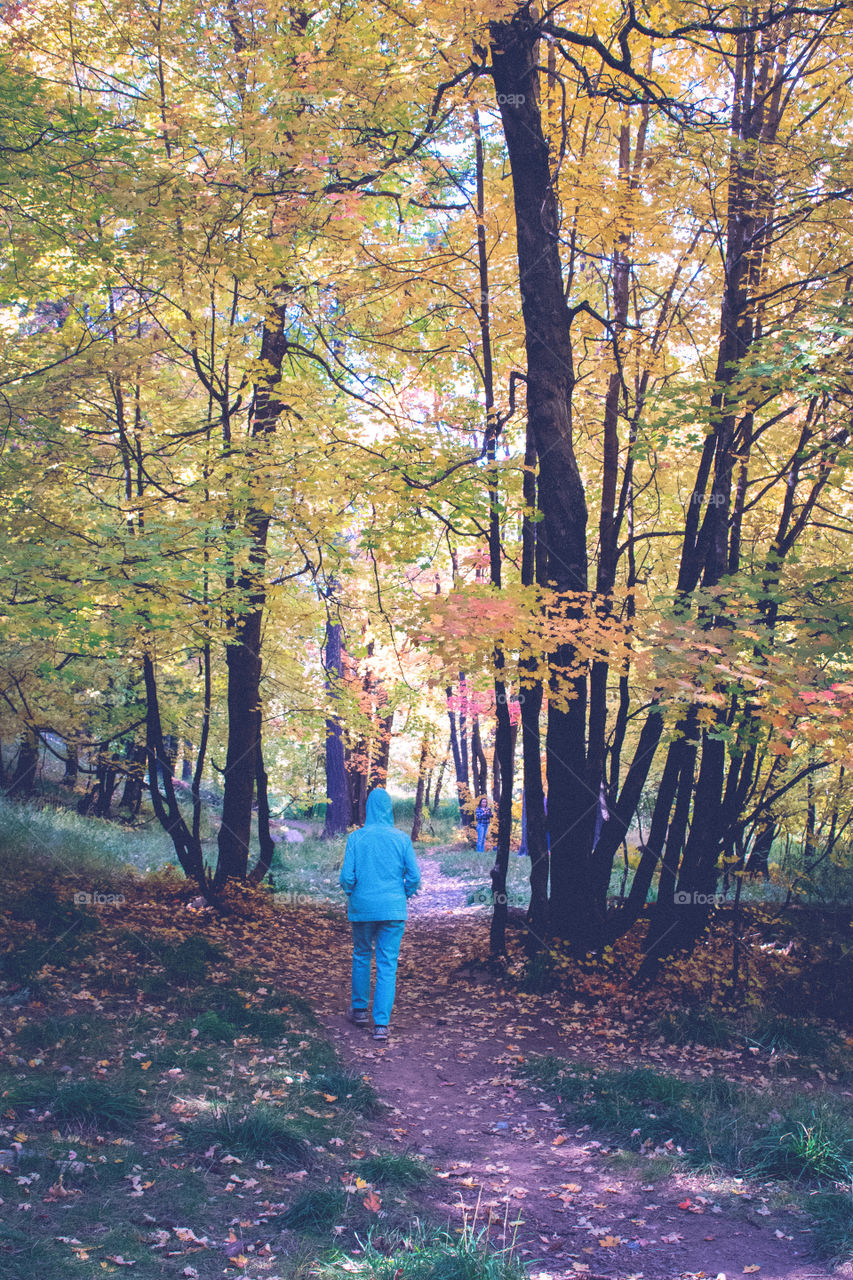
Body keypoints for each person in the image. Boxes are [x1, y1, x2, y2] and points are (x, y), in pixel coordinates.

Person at [339, 787, 421, 1041]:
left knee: (362, 955)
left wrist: (353, 892)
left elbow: (346, 877)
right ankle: (381, 1025)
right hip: (394, 910)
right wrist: (403, 894)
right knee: (388, 964)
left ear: (368, 809)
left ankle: (360, 1010)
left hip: (363, 908)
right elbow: (415, 876)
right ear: (389, 810)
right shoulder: (401, 839)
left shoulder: (356, 838)